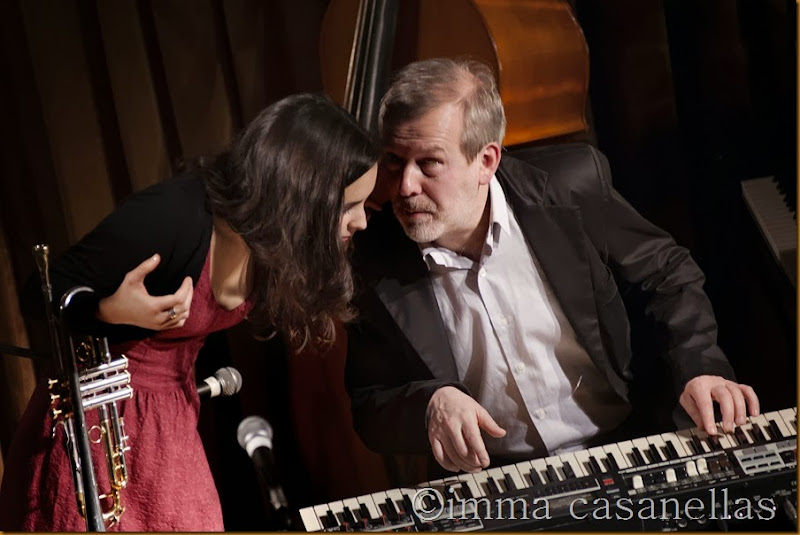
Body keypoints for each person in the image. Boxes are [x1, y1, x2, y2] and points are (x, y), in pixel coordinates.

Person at [344, 58, 760, 478]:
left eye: (429, 163)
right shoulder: (370, 253)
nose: (405, 186)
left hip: (627, 441)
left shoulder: (571, 186)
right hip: (494, 479)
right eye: (393, 160)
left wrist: (698, 367)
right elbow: (368, 402)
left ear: (486, 161)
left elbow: (666, 273)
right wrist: (430, 403)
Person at [0, 92, 379, 531]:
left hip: (169, 420)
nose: (361, 222)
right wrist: (106, 310)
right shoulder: (172, 215)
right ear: (301, 195)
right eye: (347, 207)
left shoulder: (272, 242)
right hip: (98, 434)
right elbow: (40, 292)